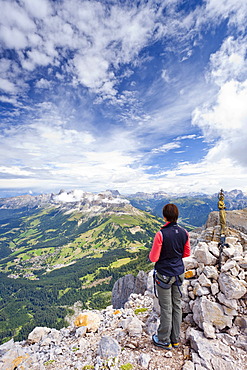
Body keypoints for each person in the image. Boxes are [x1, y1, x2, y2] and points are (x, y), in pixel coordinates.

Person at [149, 203, 190, 350]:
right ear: (177, 216)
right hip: (178, 273)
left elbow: (153, 258)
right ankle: (175, 339)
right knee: (177, 305)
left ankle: (163, 339)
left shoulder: (161, 234)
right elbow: (186, 254)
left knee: (166, 308)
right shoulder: (185, 232)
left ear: (164, 216)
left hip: (164, 275)